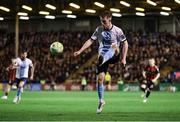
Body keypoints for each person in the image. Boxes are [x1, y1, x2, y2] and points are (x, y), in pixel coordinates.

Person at [74, 11, 128, 114]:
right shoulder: (99, 29)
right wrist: (80, 51)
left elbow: (125, 43)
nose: (103, 23)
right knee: (100, 79)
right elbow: (90, 40)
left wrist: (124, 58)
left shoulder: (117, 30)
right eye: (101, 21)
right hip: (102, 56)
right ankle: (101, 101)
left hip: (114, 55)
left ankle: (109, 55)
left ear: (110, 19)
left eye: (104, 21)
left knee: (114, 48)